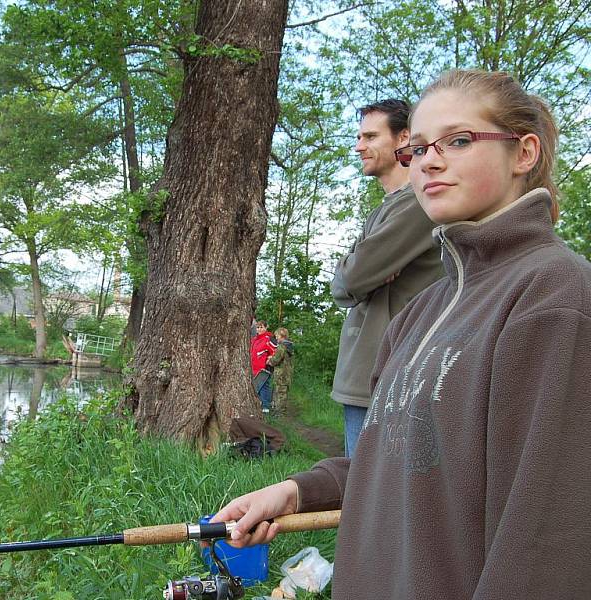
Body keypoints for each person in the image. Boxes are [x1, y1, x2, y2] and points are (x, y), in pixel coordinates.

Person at [213, 69, 591, 599]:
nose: (430, 160)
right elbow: (395, 457)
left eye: (458, 141)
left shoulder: (554, 296)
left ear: (523, 154)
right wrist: (298, 491)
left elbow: (544, 538)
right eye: (417, 148)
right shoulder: (420, 312)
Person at [332, 99, 444, 457]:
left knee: (373, 500)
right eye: (358, 136)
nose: (358, 146)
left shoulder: (417, 204)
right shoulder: (386, 208)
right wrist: (359, 275)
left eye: (369, 136)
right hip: (366, 378)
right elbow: (344, 284)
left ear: (403, 139)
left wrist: (358, 274)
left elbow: (353, 276)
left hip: (389, 377)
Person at [250, 320, 276, 413]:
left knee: (264, 387)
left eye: (261, 327)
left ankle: (266, 408)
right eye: (258, 327)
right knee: (257, 388)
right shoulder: (254, 339)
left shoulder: (268, 338)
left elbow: (275, 351)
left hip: (264, 369)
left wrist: (269, 360)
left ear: (265, 328)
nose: (259, 329)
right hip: (254, 368)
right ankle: (260, 406)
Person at [266, 327, 293, 414]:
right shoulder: (289, 346)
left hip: (281, 374)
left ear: (282, 336)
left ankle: (280, 413)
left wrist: (269, 360)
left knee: (280, 393)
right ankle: (281, 411)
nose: (276, 338)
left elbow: (276, 360)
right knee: (283, 392)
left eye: (277, 336)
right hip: (287, 373)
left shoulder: (282, 346)